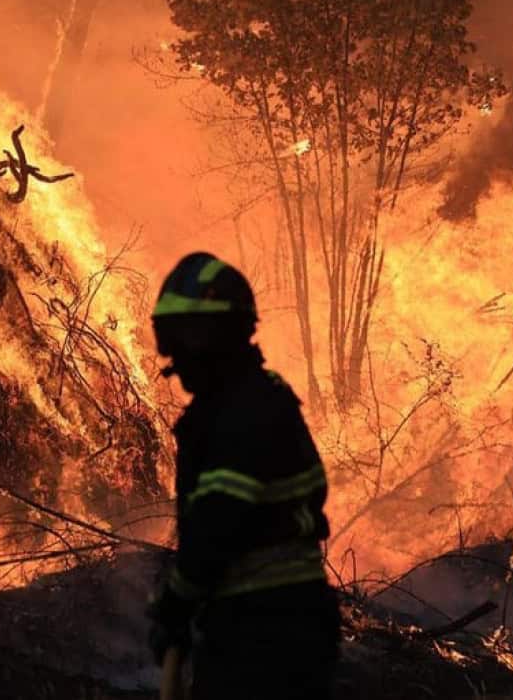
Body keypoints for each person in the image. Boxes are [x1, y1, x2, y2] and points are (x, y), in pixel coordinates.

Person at [146, 251, 341, 700]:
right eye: (168, 337)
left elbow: (219, 521)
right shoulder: (256, 400)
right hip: (277, 623)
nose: (174, 355)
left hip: (265, 631)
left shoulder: (241, 412)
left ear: (218, 336)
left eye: (184, 337)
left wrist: (175, 603)